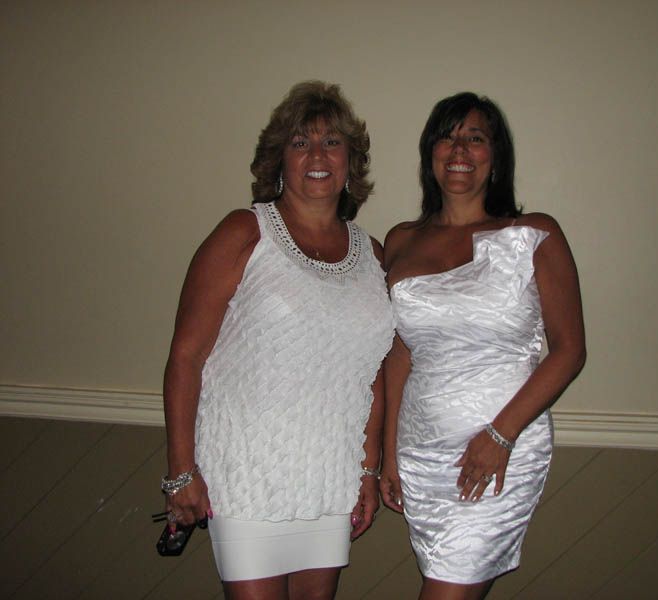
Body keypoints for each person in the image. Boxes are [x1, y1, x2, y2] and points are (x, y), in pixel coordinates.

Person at [161, 81, 394, 599]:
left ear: (351, 162)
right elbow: (186, 357)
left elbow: (372, 374)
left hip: (331, 476)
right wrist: (181, 471)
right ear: (278, 160)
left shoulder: (373, 254)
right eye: (299, 142)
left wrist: (368, 468)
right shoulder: (244, 232)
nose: (317, 155)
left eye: (332, 142)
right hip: (245, 472)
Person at [380, 92, 586, 600]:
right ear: (430, 153)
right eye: (448, 136)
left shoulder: (533, 234)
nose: (459, 149)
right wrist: (387, 453)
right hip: (420, 449)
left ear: (496, 157)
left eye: (475, 137)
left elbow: (569, 350)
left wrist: (500, 436)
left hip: (502, 446)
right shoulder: (401, 240)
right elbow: (400, 353)